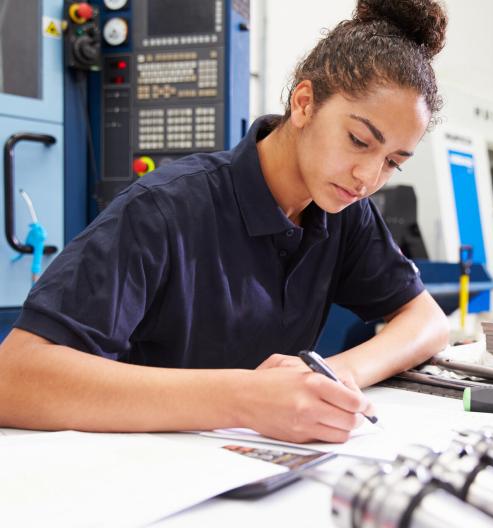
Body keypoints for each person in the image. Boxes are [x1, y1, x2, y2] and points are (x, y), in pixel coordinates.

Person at [0, 0, 450, 443]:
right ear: (305, 103)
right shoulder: (163, 209)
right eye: (358, 140)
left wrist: (334, 374)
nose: (368, 178)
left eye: (393, 162)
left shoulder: (344, 212)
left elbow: (426, 320)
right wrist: (245, 398)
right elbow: (14, 376)